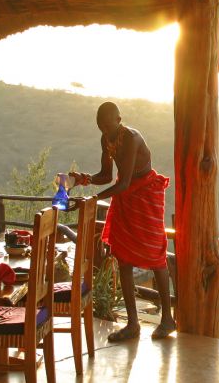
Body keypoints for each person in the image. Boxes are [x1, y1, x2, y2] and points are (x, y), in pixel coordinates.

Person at [69, 102, 176, 341]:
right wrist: (83, 179)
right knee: (123, 258)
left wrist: (93, 199)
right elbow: (106, 175)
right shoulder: (106, 139)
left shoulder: (131, 138)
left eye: (108, 126)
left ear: (119, 120)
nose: (105, 131)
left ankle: (168, 319)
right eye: (101, 127)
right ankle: (133, 324)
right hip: (126, 198)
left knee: (156, 256)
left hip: (145, 194)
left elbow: (125, 182)